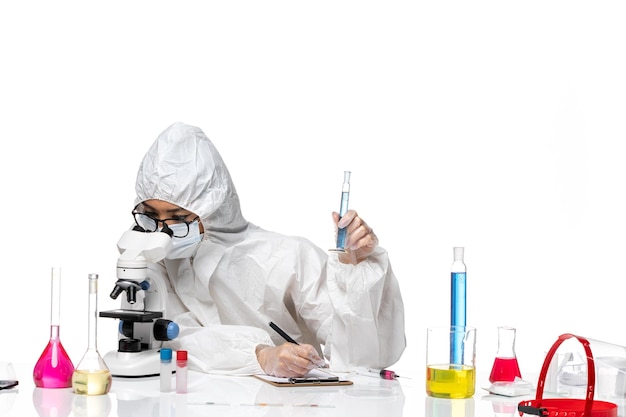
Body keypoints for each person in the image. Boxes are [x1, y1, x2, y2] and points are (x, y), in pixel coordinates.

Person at [131, 121, 406, 377]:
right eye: (152, 216)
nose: (162, 231)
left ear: (211, 208)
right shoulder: (156, 259)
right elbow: (174, 336)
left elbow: (364, 356)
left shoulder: (287, 258)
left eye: (178, 218)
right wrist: (260, 355)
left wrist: (357, 269)